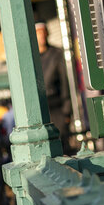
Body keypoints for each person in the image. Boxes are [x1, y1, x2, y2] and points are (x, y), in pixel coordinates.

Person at [35, 22, 73, 153]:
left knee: (61, 145)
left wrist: (67, 110)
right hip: (40, 109)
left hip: (57, 107)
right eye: (38, 33)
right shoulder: (32, 57)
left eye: (43, 32)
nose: (41, 36)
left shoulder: (56, 53)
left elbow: (65, 83)